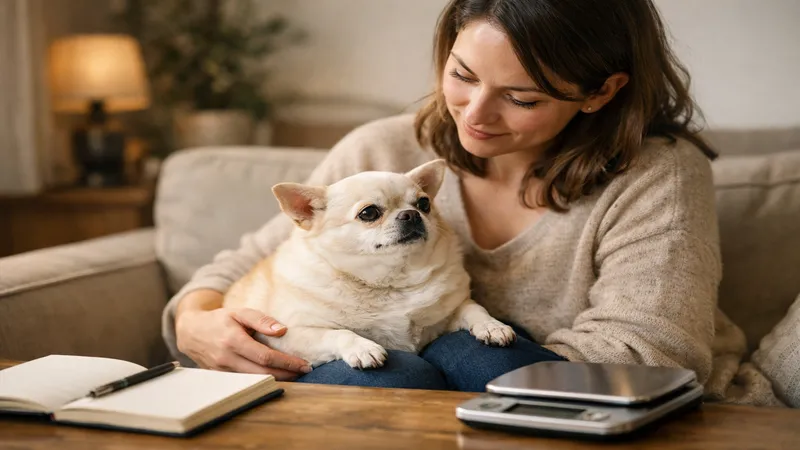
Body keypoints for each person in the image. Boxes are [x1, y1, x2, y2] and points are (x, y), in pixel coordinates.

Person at [161, 0, 759, 399]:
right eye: (463, 75)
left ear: (601, 92)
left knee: (435, 364)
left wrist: (449, 359)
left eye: (522, 98)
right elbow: (254, 265)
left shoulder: (657, 174)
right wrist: (197, 321)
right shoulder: (381, 152)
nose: (474, 115)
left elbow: (647, 354)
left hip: (604, 401)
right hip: (392, 404)